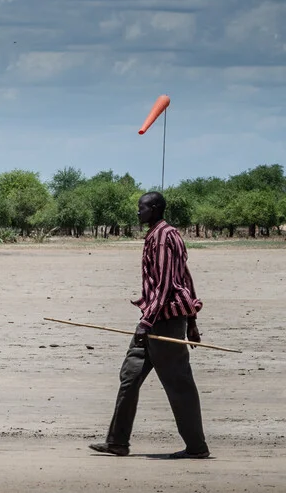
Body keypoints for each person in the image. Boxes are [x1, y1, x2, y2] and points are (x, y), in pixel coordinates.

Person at [89, 191, 210, 460]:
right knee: (129, 377)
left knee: (179, 384)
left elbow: (168, 284)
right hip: (152, 319)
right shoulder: (157, 234)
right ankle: (117, 442)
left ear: (154, 209)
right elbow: (186, 279)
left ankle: (197, 447)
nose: (138, 212)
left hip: (162, 321)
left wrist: (149, 322)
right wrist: (191, 321)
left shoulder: (165, 236)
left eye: (141, 208)